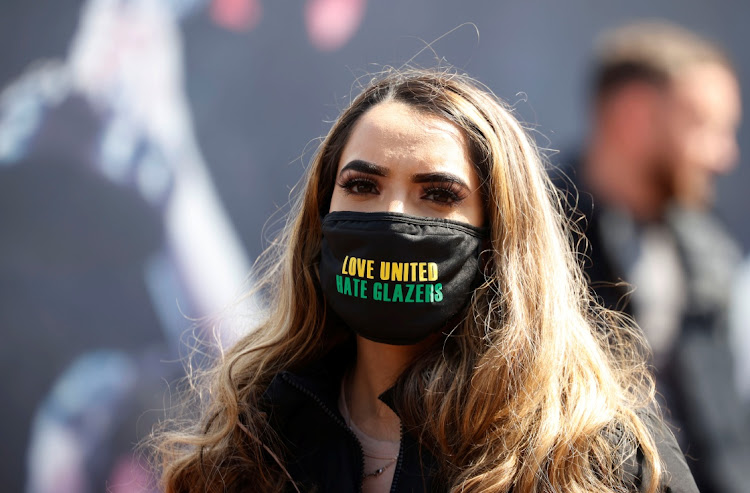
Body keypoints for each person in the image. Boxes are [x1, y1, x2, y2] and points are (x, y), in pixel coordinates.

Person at [153, 68, 698, 492]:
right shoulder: (250, 441)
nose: (392, 216)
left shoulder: (599, 460)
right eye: (362, 186)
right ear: (321, 217)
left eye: (438, 194)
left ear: (500, 238)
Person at [554, 21, 749, 492]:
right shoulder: (537, 240)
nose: (726, 157)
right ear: (633, 117)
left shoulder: (709, 250)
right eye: (705, 127)